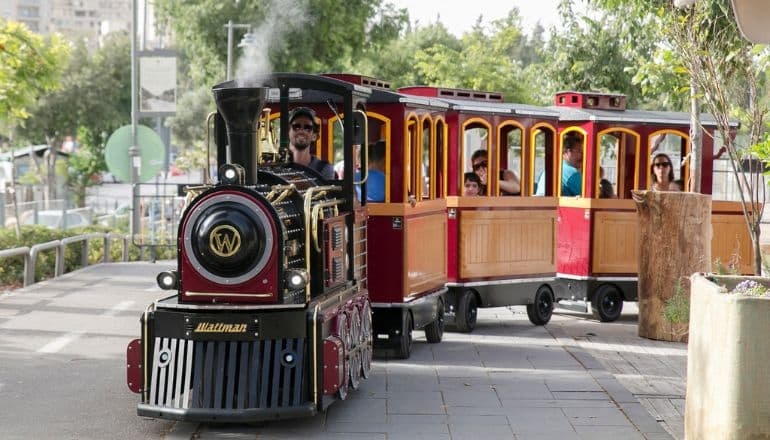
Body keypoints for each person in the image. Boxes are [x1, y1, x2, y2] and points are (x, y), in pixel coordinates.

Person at [288, 106, 335, 180]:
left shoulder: (324, 169)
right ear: (288, 132)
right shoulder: (277, 166)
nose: (301, 131)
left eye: (307, 128)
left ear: (314, 136)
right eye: (296, 126)